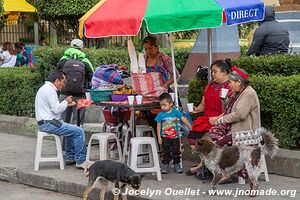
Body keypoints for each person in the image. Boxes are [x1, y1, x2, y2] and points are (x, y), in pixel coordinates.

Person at [208, 66, 261, 183]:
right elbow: (229, 109)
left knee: (218, 143)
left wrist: (221, 119)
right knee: (212, 135)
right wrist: (224, 99)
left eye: (231, 82)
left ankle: (225, 173)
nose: (229, 85)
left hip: (246, 132)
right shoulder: (238, 92)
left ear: (239, 82)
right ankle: (219, 170)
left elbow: (239, 114)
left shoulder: (248, 93)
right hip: (235, 129)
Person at [35, 70, 92, 169]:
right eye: (63, 81)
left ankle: (70, 157)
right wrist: (66, 101)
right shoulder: (50, 90)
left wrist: (66, 104)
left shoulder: (45, 88)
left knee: (71, 129)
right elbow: (57, 110)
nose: (64, 84)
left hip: (46, 122)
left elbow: (53, 108)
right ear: (57, 81)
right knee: (78, 131)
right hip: (49, 123)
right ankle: (81, 161)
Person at [185, 59, 232, 176]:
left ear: (224, 72)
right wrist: (197, 109)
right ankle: (205, 164)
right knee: (192, 138)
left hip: (221, 120)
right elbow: (203, 104)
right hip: (207, 119)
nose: (212, 74)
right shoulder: (210, 85)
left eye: (215, 72)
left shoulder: (230, 86)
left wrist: (217, 118)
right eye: (212, 72)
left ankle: (202, 166)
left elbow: (230, 109)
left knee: (207, 140)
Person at [58, 39, 94, 126]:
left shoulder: (63, 59)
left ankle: (63, 139)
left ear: (70, 47)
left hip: (65, 94)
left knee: (63, 122)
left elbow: (57, 74)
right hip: (81, 95)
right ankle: (77, 139)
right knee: (78, 123)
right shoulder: (85, 60)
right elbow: (92, 76)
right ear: (81, 48)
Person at [155, 93, 192, 174]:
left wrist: (190, 126)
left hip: (175, 136)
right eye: (161, 105)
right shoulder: (160, 114)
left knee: (176, 151)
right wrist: (159, 137)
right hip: (164, 137)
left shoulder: (175, 112)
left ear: (171, 104)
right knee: (165, 152)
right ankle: (165, 165)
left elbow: (183, 119)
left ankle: (176, 164)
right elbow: (158, 126)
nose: (162, 107)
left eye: (164, 105)